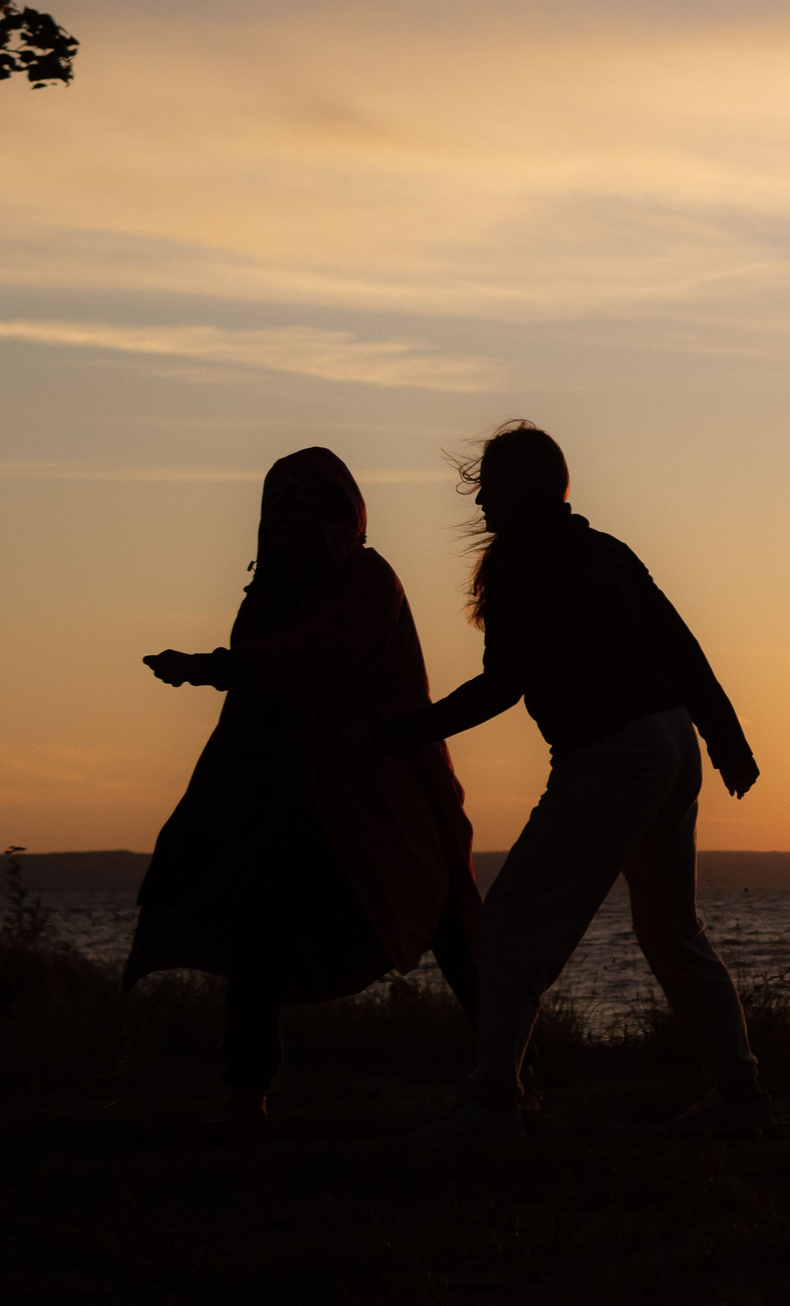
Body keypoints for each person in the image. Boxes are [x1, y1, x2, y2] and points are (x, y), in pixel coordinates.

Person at [378, 419, 767, 1139]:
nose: (482, 504)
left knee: (515, 928)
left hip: (613, 753)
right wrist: (724, 737)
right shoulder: (604, 551)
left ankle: (495, 1099)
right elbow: (679, 643)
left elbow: (502, 687)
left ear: (523, 490)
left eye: (490, 489)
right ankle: (739, 1095)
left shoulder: (524, 563)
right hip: (671, 744)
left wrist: (402, 733)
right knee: (672, 933)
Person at [128, 447, 482, 1140]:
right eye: (276, 505)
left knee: (450, 925)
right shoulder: (264, 598)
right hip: (290, 798)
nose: (284, 518)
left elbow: (322, 651)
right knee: (257, 927)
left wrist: (212, 668)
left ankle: (510, 1076)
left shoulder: (369, 580)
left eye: (300, 504)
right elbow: (264, 694)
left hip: (387, 794)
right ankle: (245, 1095)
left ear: (335, 519)